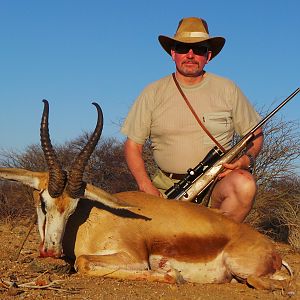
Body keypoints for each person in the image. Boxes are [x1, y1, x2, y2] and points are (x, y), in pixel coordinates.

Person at [121, 17, 263, 223]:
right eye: (182, 48)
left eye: (198, 49)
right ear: (173, 53)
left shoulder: (228, 89)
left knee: (245, 184)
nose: (190, 55)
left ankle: (218, 243)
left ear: (209, 55)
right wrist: (145, 185)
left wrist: (245, 160)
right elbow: (133, 146)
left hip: (215, 185)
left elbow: (256, 134)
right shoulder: (152, 92)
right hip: (166, 188)